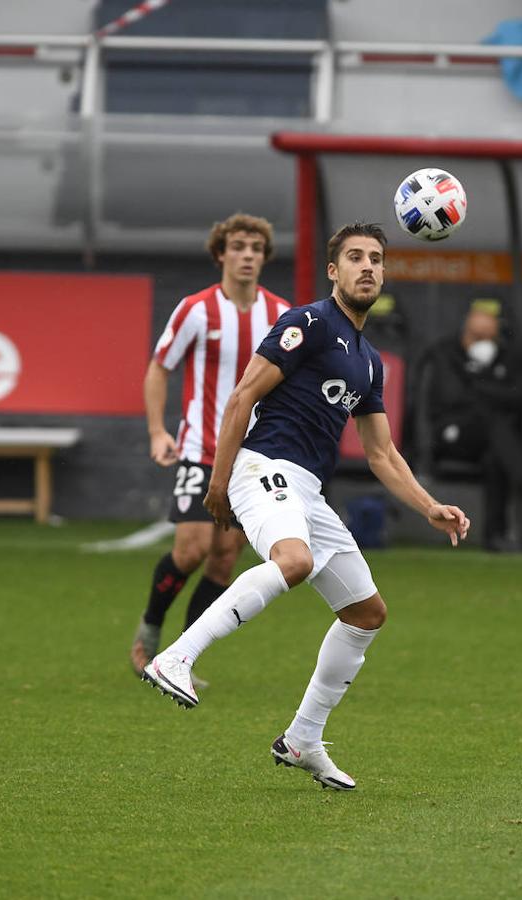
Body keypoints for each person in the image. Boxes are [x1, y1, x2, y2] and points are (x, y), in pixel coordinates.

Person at [143, 222, 470, 791]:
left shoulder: (369, 360)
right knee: (292, 561)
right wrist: (219, 484)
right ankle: (175, 656)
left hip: (306, 491)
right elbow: (243, 395)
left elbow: (382, 453)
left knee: (367, 613)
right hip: (262, 466)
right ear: (333, 270)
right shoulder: (309, 322)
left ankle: (302, 739)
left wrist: (429, 506)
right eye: (354, 258)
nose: (367, 266)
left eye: (375, 259)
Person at [131, 214, 291, 681]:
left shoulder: (281, 315)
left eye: (256, 248)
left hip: (253, 455)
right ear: (221, 253)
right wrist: (158, 431)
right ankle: (149, 633)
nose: (247, 255)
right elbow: (160, 367)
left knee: (225, 557)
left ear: (264, 257)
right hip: (201, 447)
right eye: (238, 246)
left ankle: (181, 657)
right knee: (192, 549)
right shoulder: (196, 309)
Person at [424, 300, 522, 552]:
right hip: (451, 435)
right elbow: (452, 397)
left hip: (486, 440)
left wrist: (480, 379)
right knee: (494, 421)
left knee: (495, 456)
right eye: (478, 323)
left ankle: (495, 536)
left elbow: (519, 397)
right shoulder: (446, 352)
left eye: (491, 324)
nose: (485, 329)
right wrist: (484, 383)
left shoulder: (508, 354)